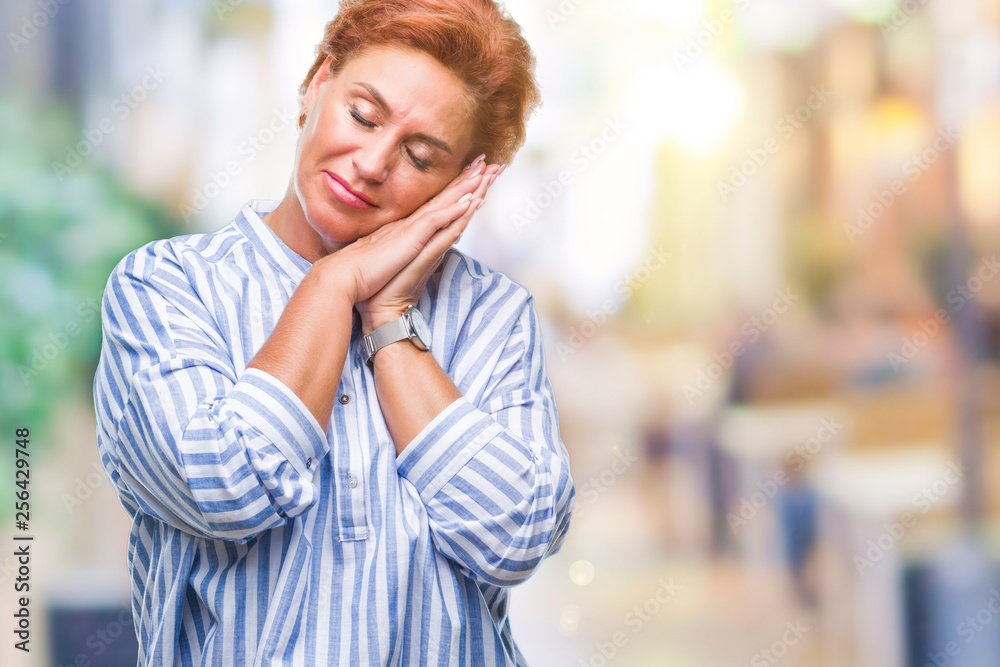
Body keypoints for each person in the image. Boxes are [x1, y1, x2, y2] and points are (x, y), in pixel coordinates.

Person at [92, 0, 575, 664]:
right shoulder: (167, 286)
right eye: (363, 114)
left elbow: (515, 534)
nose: (373, 162)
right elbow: (222, 483)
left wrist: (389, 316)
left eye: (421, 154)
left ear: (464, 184)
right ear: (317, 86)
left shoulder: (491, 315)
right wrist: (330, 284)